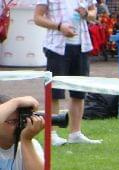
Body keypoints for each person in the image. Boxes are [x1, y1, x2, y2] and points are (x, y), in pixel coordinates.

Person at [34, 0, 102, 146]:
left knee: (79, 92)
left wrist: (86, 14)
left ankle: (75, 133)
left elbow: (93, 12)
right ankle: (51, 134)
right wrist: (59, 27)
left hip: (82, 45)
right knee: (54, 92)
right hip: (56, 46)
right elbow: (38, 18)